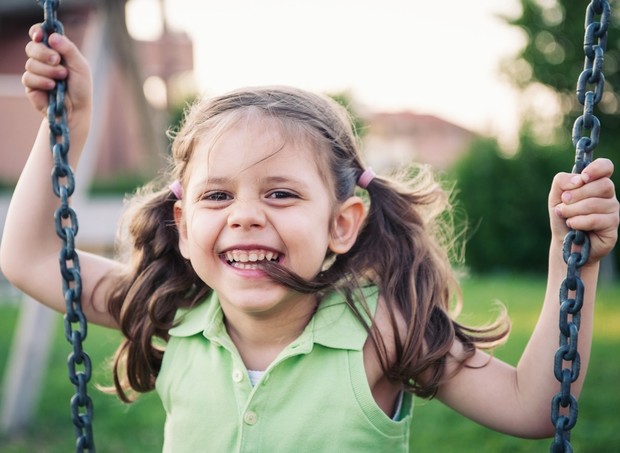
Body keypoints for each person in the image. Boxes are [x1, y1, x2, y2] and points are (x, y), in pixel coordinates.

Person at [1, 25, 618, 452]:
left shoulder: (382, 332)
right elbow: (27, 258)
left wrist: (576, 265)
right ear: (184, 227)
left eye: (280, 193)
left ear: (342, 223)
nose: (245, 216)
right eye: (218, 196)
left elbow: (534, 406)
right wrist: (71, 126)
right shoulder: (175, 312)